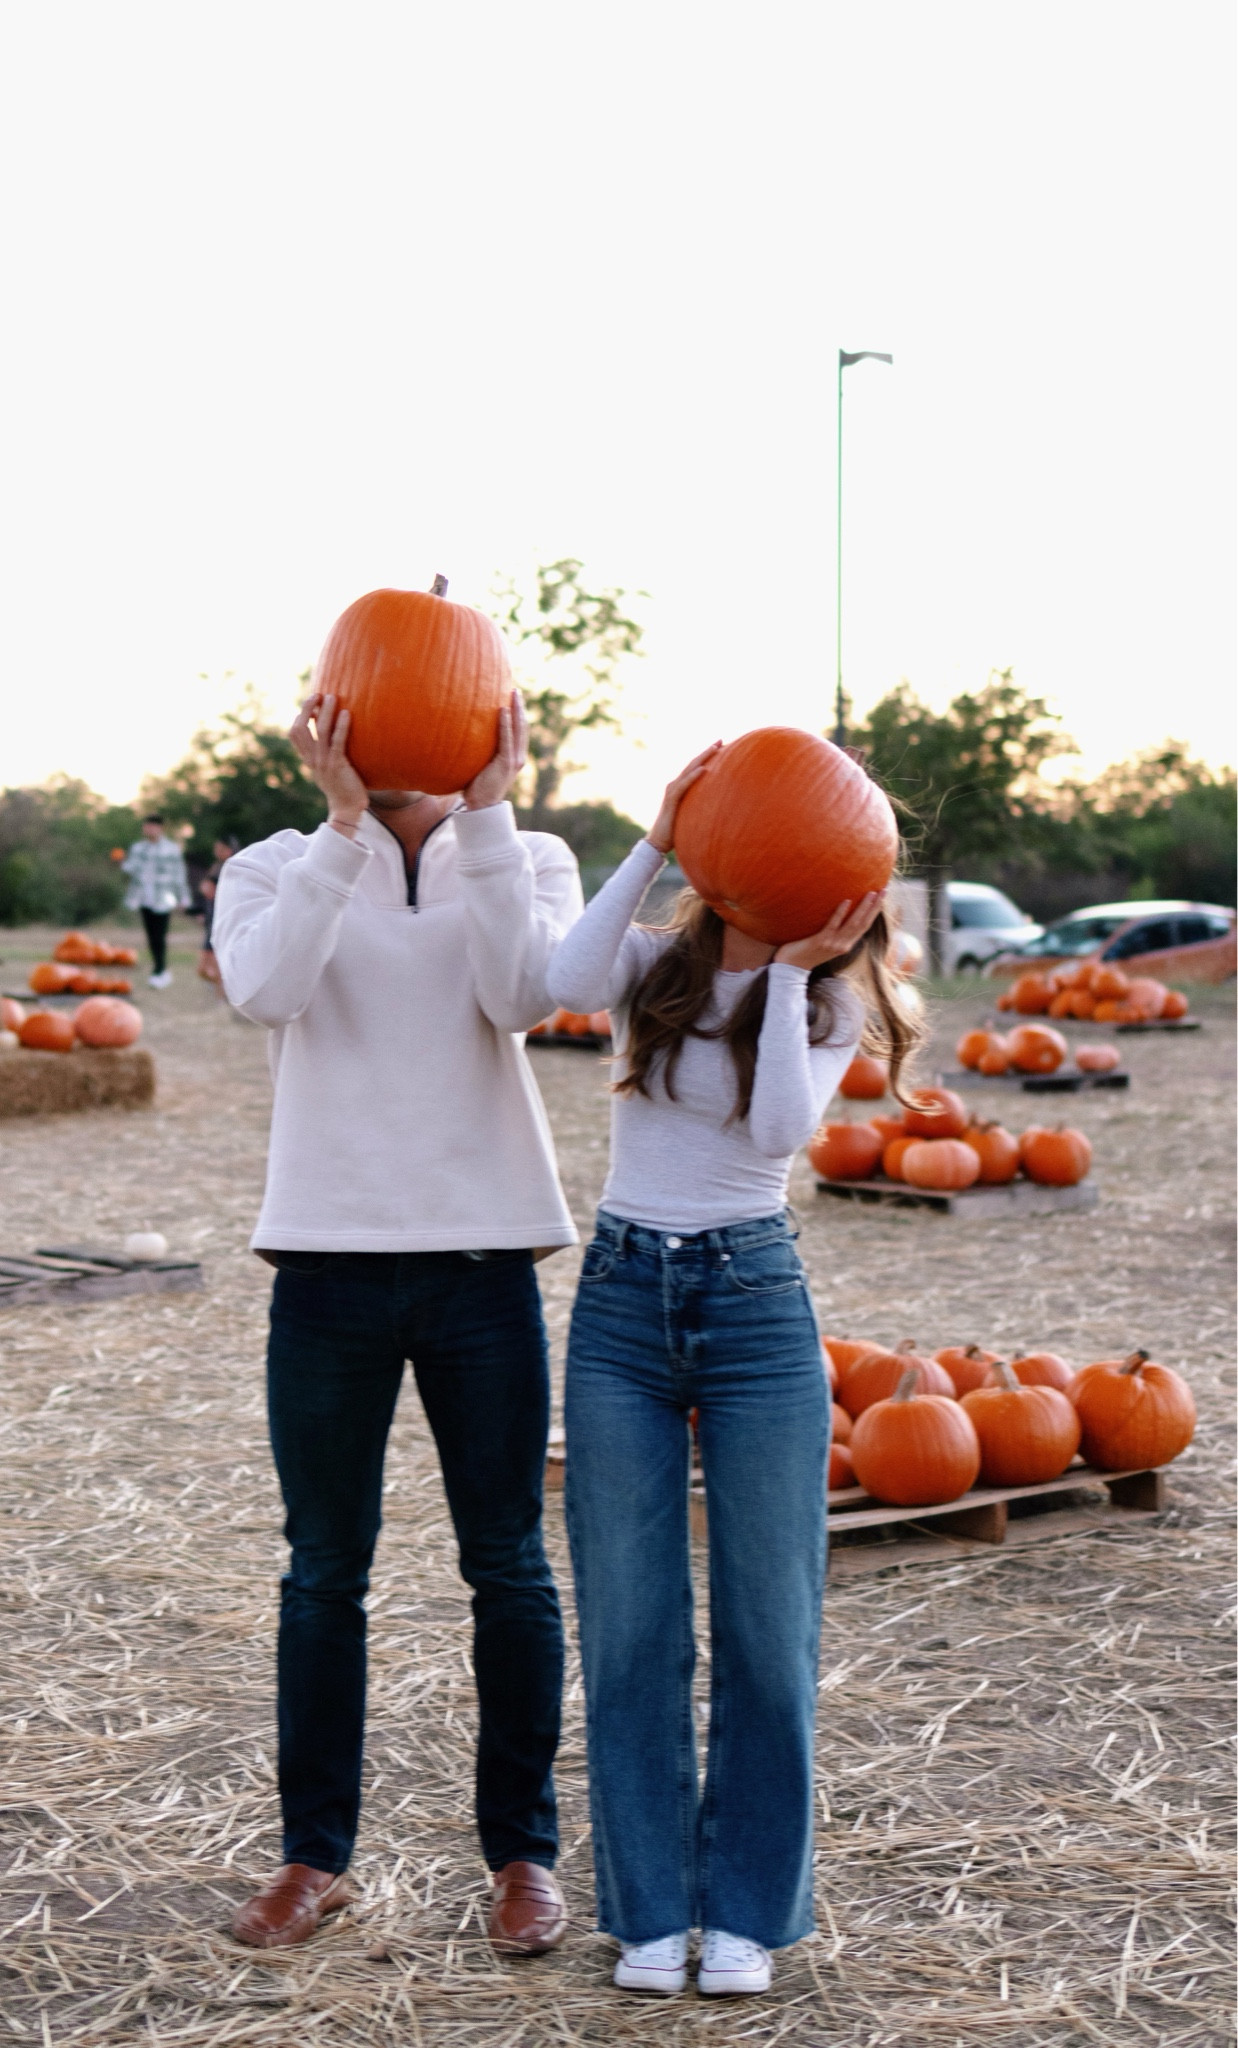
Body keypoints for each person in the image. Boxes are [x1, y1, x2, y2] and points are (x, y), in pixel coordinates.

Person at [212, 687, 582, 1955]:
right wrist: (339, 826)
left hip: (482, 1260)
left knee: (509, 1566)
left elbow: (522, 994)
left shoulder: (527, 852)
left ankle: (522, 1854)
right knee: (324, 1571)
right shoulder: (275, 861)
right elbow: (266, 991)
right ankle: (313, 1855)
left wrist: (488, 812)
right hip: (328, 1262)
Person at [547, 744, 918, 1999]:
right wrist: (658, 836)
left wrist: (793, 969)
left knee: (768, 1626)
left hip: (754, 1302)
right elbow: (561, 979)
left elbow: (774, 1132)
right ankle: (652, 1910)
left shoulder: (829, 1003)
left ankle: (748, 1909)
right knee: (630, 1622)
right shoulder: (652, 964)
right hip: (620, 1301)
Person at [121, 814, 191, 986]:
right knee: (151, 935)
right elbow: (131, 868)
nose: (150, 829)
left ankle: (160, 970)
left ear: (160, 828)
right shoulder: (138, 848)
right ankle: (159, 968)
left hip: (163, 897)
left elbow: (179, 874)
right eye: (147, 826)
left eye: (153, 826)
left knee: (160, 935)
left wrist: (183, 897)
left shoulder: (171, 849)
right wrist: (121, 862)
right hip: (144, 897)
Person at [197, 834, 239, 984]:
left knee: (216, 965)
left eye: (220, 848)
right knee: (204, 969)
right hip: (212, 919)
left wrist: (209, 889)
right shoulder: (216, 867)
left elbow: (214, 890)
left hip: (222, 921)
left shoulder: (232, 868)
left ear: (229, 850)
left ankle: (223, 990)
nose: (216, 851)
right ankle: (223, 987)